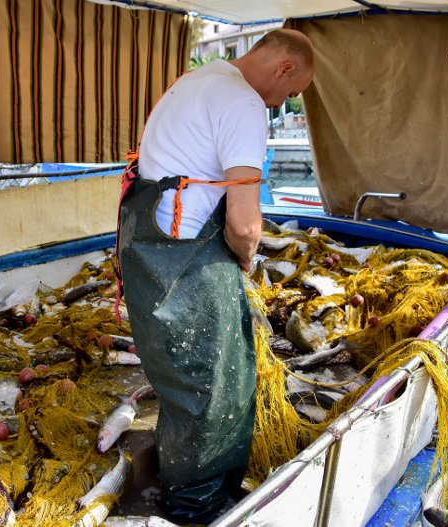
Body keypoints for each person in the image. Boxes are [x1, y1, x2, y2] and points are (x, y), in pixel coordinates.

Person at [116, 29, 315, 523]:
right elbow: (244, 224)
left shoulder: (194, 81)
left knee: (179, 377)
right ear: (284, 68)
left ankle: (178, 475)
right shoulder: (243, 102)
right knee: (214, 383)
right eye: (290, 93)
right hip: (187, 260)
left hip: (149, 252)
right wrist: (246, 260)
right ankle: (196, 506)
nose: (280, 104)